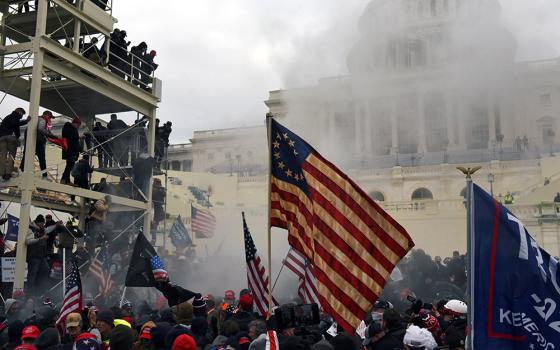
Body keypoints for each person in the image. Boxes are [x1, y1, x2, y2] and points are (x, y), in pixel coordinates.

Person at [25, 215, 57, 293]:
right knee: (32, 275)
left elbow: (49, 229)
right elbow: (28, 241)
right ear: (38, 223)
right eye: (42, 223)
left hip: (41, 256)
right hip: (33, 256)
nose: (43, 225)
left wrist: (56, 225)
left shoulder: (42, 230)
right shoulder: (31, 229)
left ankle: (38, 288)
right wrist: (41, 238)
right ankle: (30, 292)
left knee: (46, 269)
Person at [0, 108, 29, 180]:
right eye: (22, 114)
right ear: (19, 112)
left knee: (2, 156)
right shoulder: (15, 116)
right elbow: (15, 125)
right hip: (10, 138)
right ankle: (8, 173)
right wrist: (26, 121)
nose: (22, 116)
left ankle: (2, 173)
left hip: (2, 138)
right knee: (11, 155)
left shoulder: (7, 117)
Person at [60, 117, 83, 185]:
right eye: (78, 125)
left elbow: (76, 142)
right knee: (70, 165)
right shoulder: (67, 127)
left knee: (70, 165)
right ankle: (63, 179)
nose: (78, 127)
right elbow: (68, 137)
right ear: (75, 123)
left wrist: (80, 149)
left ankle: (67, 180)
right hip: (69, 150)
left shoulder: (74, 129)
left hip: (73, 151)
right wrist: (79, 137)